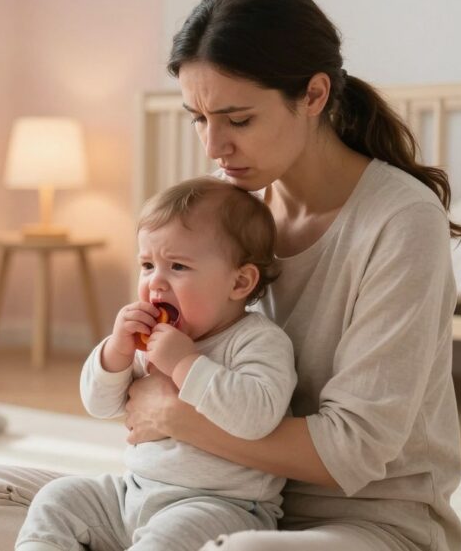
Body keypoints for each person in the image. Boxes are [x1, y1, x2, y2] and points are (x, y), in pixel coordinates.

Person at [0, 0, 461, 551]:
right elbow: (133, 380)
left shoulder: (400, 220)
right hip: (193, 500)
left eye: (238, 121)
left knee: (241, 549)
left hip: (360, 522)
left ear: (314, 96)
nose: (214, 147)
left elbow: (352, 451)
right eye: (197, 117)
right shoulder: (225, 208)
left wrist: (175, 417)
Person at [16, 176, 296, 551]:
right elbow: (100, 405)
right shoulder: (150, 340)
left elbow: (257, 417)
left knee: (168, 538)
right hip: (134, 492)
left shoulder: (257, 340)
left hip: (220, 506)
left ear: (240, 282)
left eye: (177, 267)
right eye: (147, 265)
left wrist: (185, 364)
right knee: (57, 499)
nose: (156, 284)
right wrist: (116, 351)